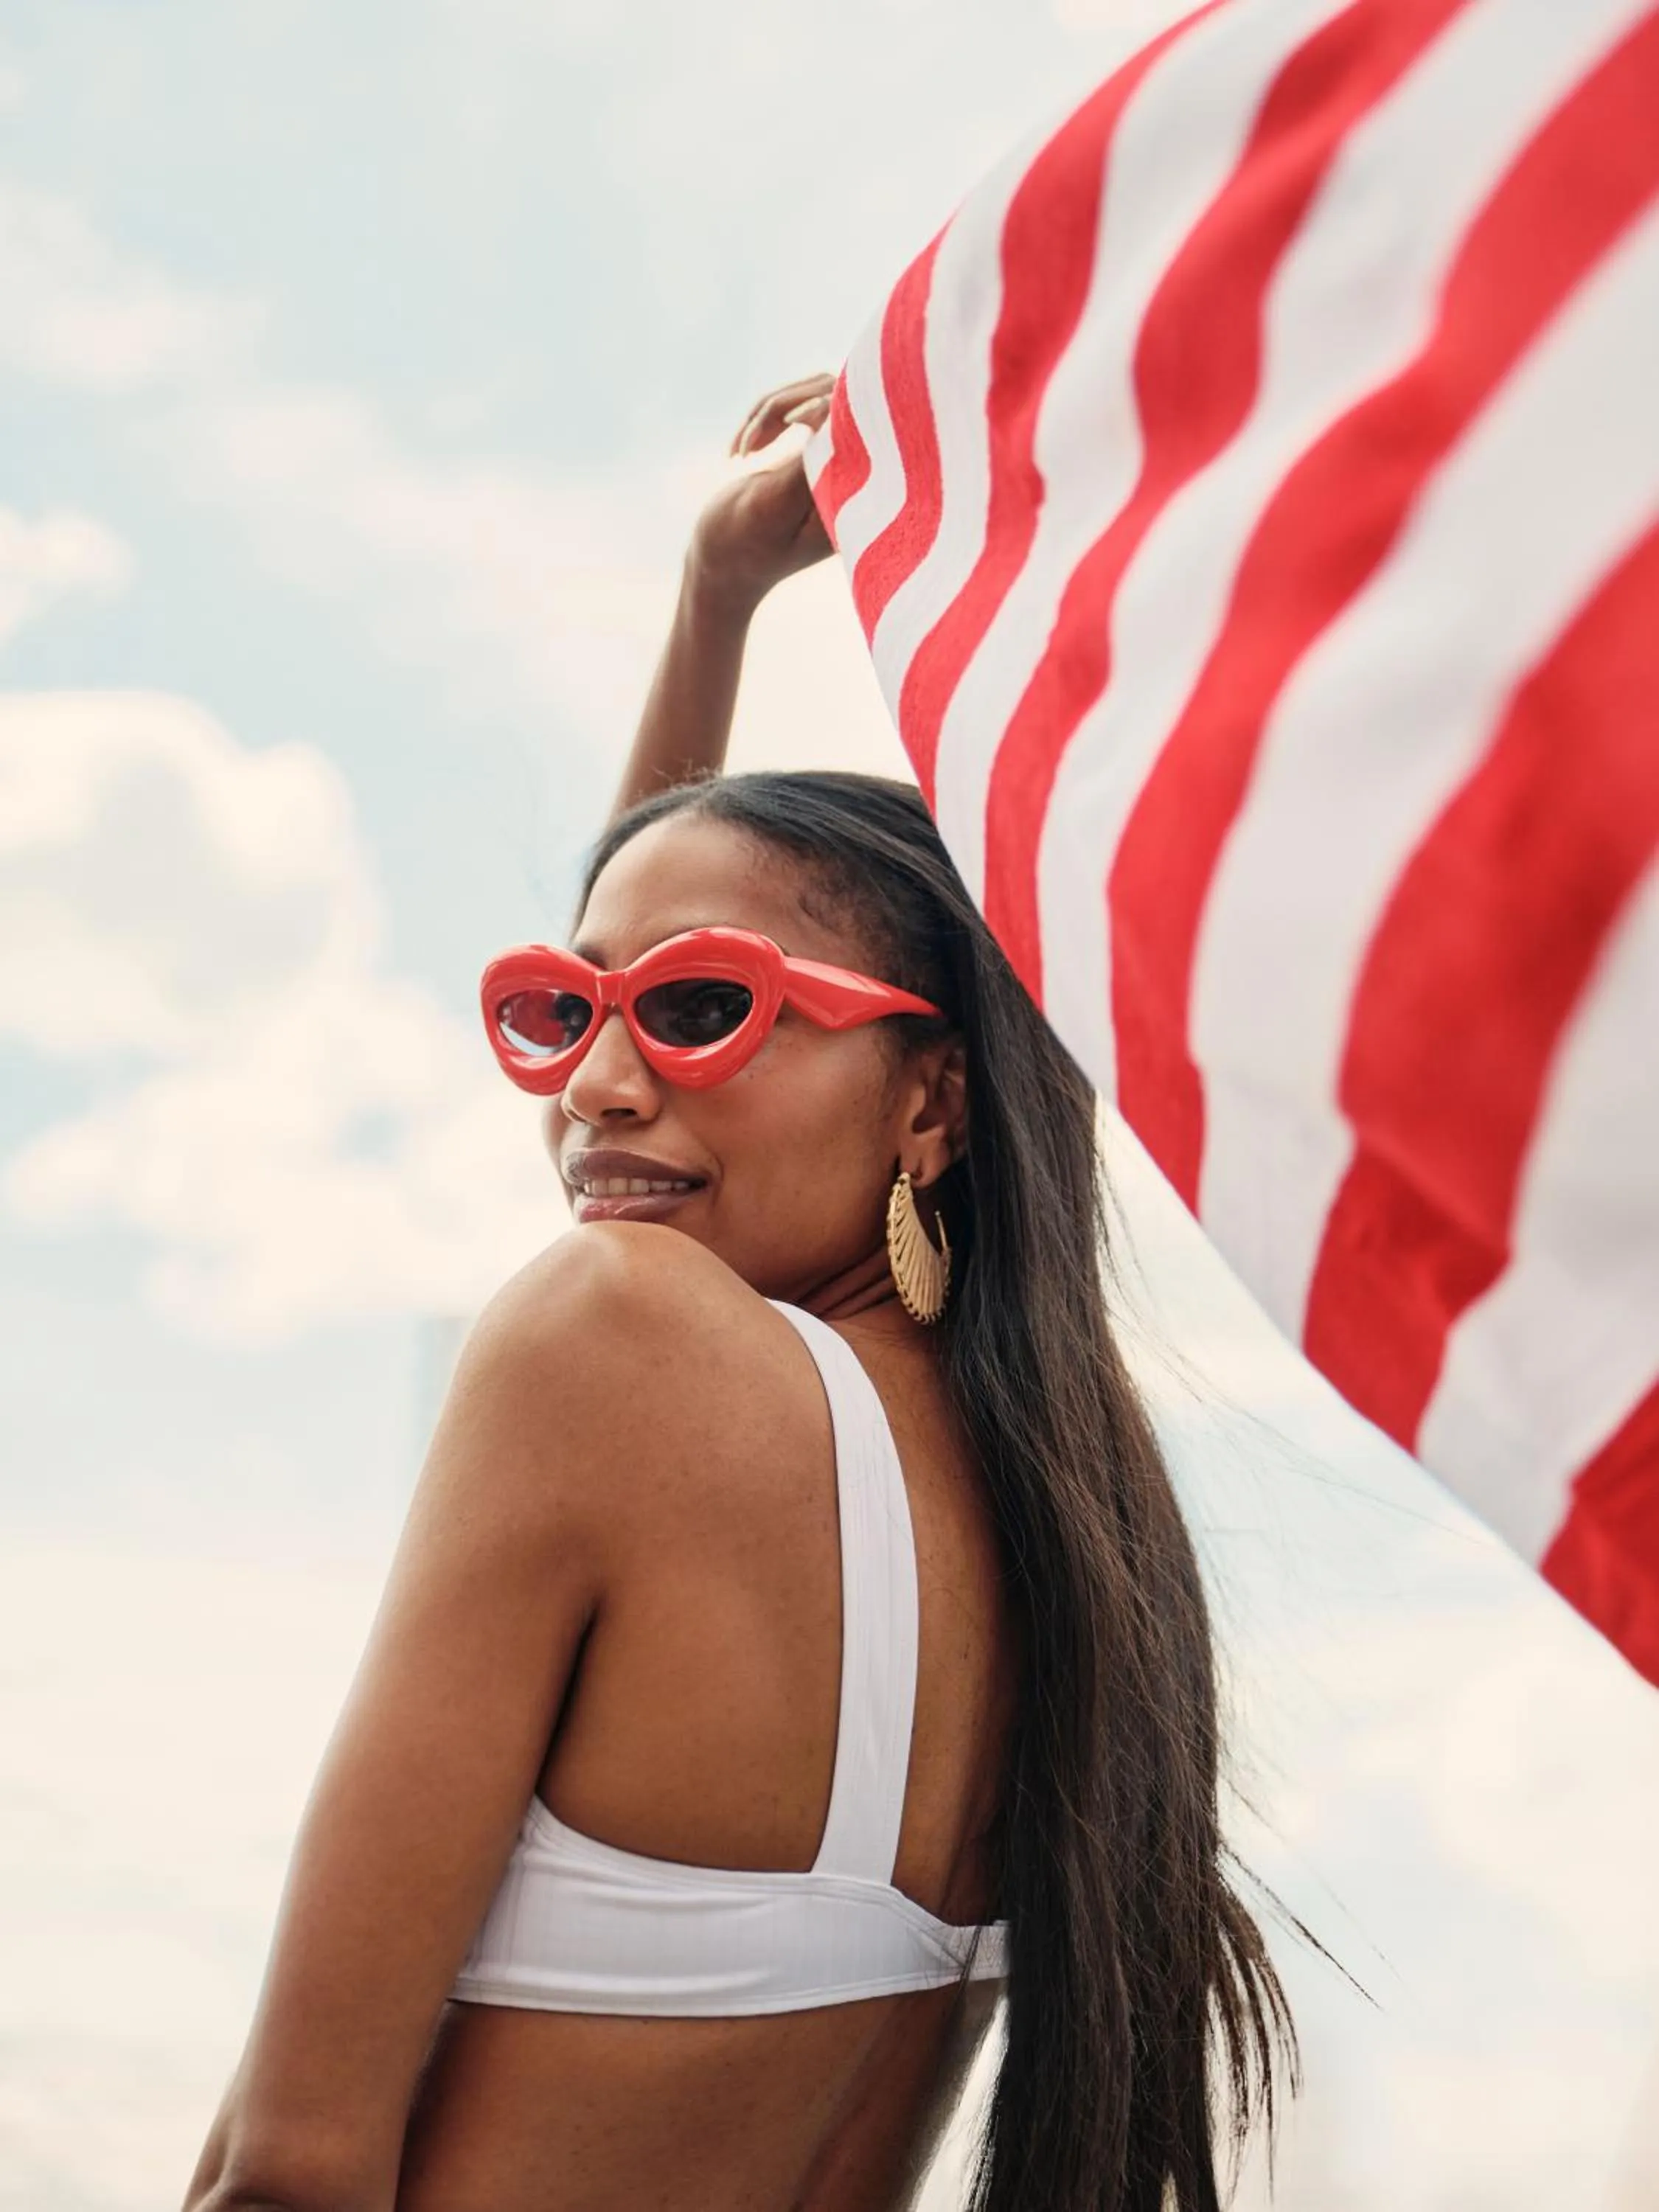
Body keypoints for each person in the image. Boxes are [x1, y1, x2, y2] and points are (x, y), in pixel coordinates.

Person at [183, 378, 1290, 2212]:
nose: (591, 1085)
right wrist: (718, 600)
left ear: (931, 1096)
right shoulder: (1084, 1548)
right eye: (560, 1010)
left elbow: (292, 2170)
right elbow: (647, 1080)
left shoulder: (616, 1354)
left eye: (703, 1008)